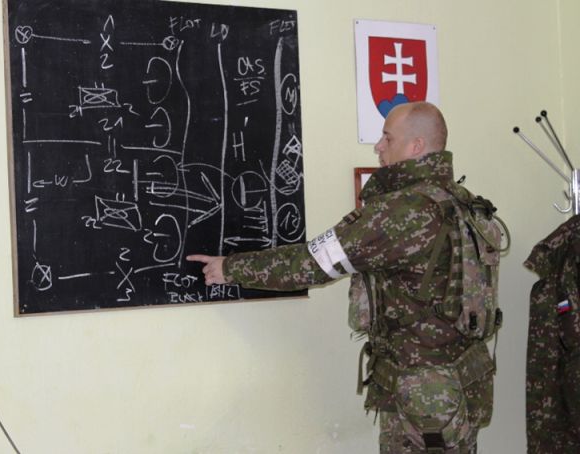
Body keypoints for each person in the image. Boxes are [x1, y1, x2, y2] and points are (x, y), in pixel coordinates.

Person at [188, 101, 496, 453]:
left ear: (416, 146)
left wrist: (230, 268)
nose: (378, 146)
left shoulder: (404, 211)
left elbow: (312, 263)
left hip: (424, 392)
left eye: (387, 138)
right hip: (463, 380)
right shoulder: (462, 200)